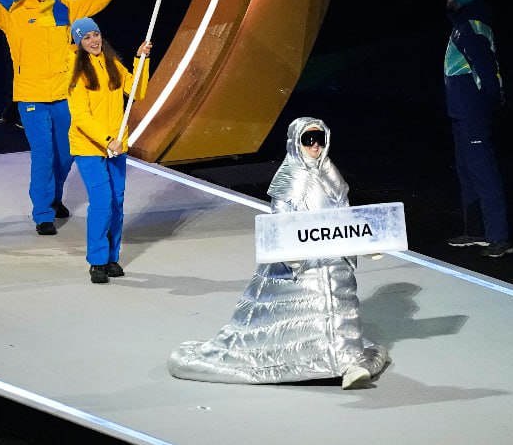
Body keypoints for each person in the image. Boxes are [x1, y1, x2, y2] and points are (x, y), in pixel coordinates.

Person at [167, 117, 391, 389]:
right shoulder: (289, 178)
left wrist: (364, 241)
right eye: (308, 140)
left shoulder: (330, 174)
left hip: (333, 260)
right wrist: (291, 253)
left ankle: (348, 363)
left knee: (339, 310)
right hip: (302, 263)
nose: (315, 146)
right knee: (305, 314)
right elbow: (281, 219)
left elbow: (344, 213)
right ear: (296, 142)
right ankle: (325, 361)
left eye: (320, 140)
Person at [0, 0, 130, 235]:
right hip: (31, 97)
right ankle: (43, 213)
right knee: (43, 154)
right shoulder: (13, 13)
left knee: (65, 154)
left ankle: (54, 198)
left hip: (62, 95)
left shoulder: (64, 8)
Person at [66, 17, 151, 284]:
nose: (94, 41)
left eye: (96, 34)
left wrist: (141, 60)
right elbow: (81, 117)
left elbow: (137, 92)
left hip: (115, 146)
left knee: (116, 201)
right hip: (89, 147)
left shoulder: (111, 62)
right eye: (87, 37)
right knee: (102, 202)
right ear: (79, 43)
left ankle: (112, 258)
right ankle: (97, 261)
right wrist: (106, 140)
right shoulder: (77, 73)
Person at [442, 0, 512, 258]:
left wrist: (487, 104)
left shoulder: (471, 28)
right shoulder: (463, 26)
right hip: (461, 110)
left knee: (483, 172)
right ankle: (476, 230)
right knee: (467, 171)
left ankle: (499, 237)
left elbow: (487, 71)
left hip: (472, 112)